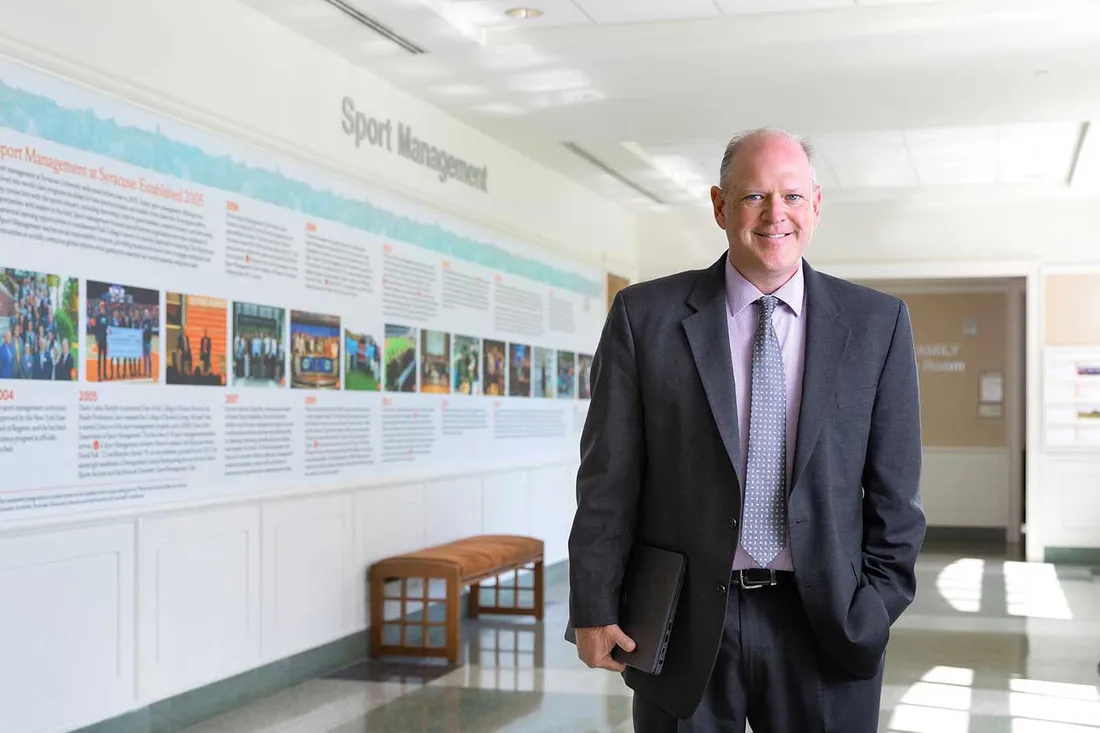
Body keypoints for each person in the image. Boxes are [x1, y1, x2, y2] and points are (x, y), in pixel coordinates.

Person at [567, 127, 925, 732]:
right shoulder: (644, 317)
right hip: (681, 622)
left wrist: (872, 607)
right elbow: (608, 477)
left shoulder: (877, 325)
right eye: (754, 196)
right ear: (719, 205)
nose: (774, 214)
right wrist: (595, 605)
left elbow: (897, 494)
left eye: (790, 197)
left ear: (815, 207)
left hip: (825, 623)